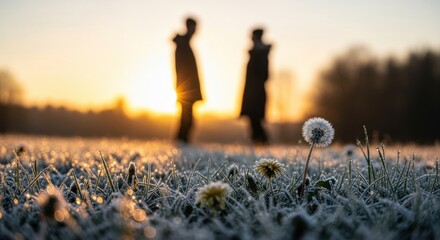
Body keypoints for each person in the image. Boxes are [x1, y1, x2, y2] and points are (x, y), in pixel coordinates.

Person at [172, 17, 203, 143]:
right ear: (189, 27)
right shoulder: (183, 44)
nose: (196, 31)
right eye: (194, 27)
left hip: (187, 87)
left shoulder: (185, 43)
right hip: (186, 87)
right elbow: (181, 68)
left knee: (187, 117)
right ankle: (181, 140)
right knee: (187, 118)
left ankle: (182, 140)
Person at [240, 28, 272, 144]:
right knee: (253, 119)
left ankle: (261, 141)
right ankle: (257, 141)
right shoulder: (256, 54)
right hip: (251, 92)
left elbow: (265, 75)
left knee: (255, 118)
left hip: (256, 93)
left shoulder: (261, 55)